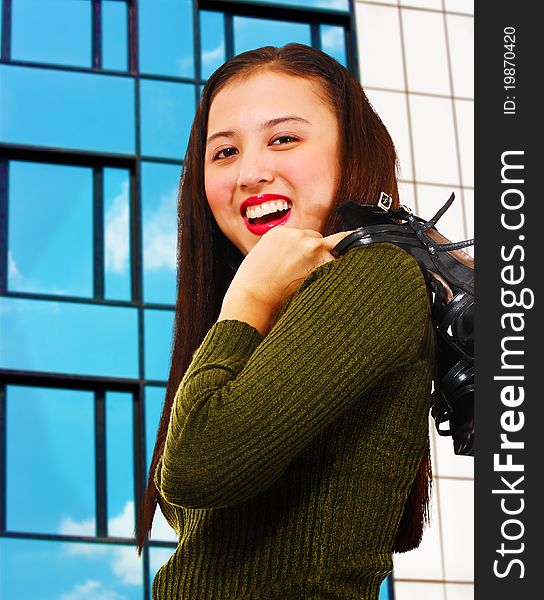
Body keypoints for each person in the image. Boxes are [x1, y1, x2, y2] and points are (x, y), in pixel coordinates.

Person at [137, 43, 435, 600]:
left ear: (353, 151)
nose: (251, 172)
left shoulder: (375, 275)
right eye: (223, 152)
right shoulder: (276, 316)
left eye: (284, 138)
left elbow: (200, 465)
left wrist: (247, 295)